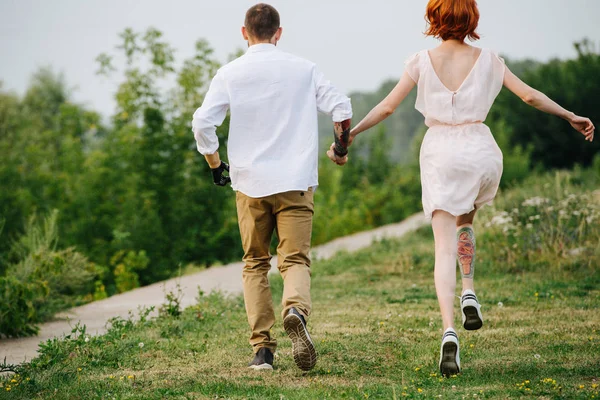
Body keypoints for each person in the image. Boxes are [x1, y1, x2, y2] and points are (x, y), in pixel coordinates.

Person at [331, 0, 595, 377]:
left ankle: (449, 330)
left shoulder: (420, 61)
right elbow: (529, 96)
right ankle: (469, 289)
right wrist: (569, 115)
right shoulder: (489, 59)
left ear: (434, 18)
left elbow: (388, 108)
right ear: (472, 18)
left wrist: (351, 135)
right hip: (480, 151)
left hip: (441, 151)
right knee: (465, 222)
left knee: (442, 246)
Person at [192, 3, 352, 371]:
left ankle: (262, 350)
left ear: (244, 32)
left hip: (250, 184)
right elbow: (341, 109)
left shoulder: (230, 73)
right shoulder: (304, 69)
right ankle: (294, 307)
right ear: (279, 33)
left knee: (255, 263)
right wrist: (339, 149)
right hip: (296, 182)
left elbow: (202, 123)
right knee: (294, 259)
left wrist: (216, 166)